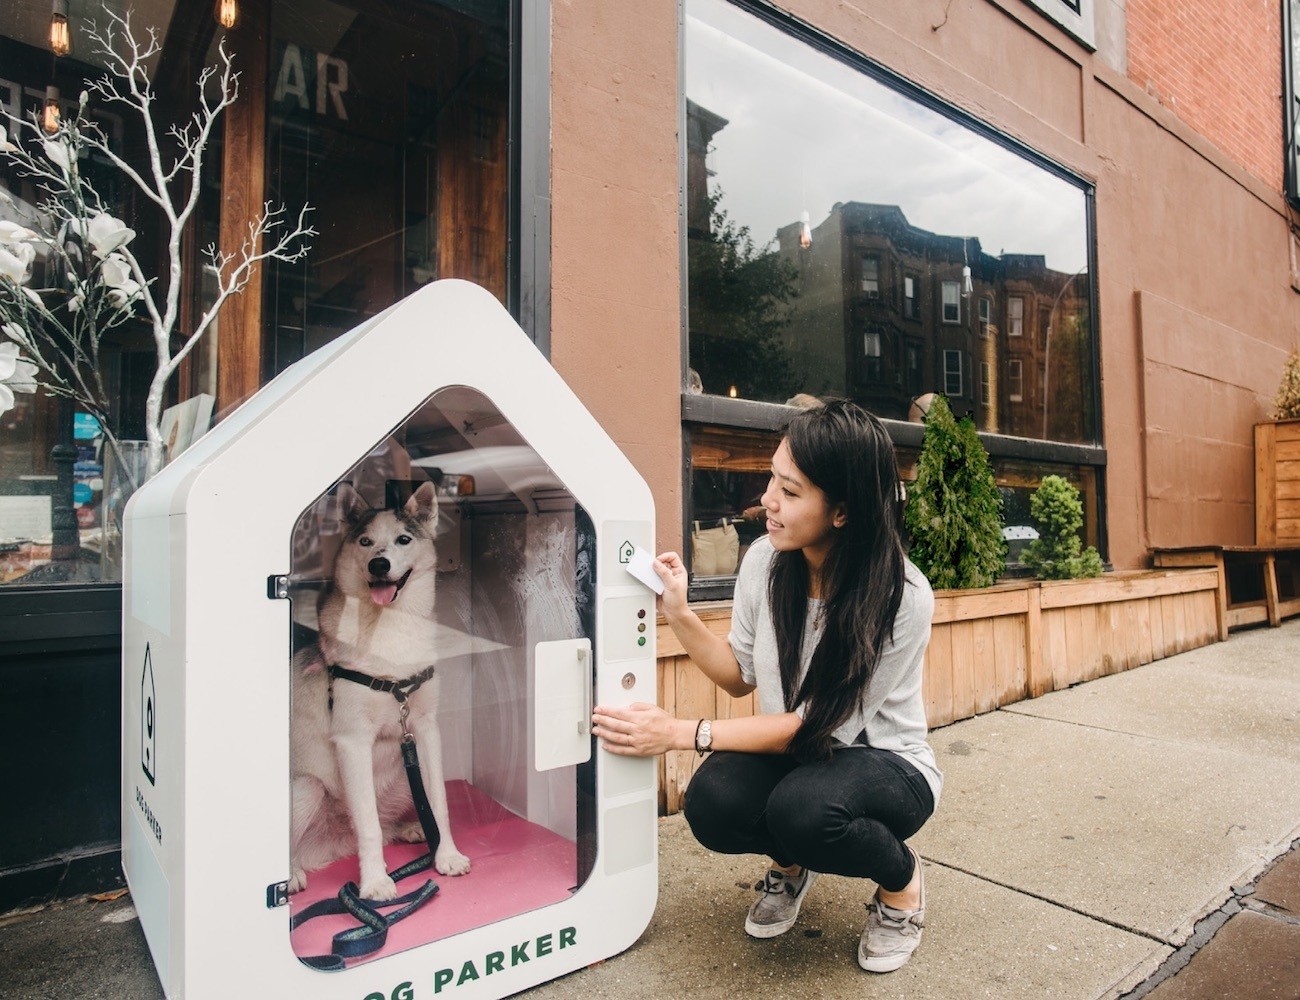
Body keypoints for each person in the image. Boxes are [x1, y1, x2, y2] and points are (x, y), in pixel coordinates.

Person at [592, 398, 940, 974]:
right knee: (712, 800)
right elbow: (738, 675)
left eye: (791, 491)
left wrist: (678, 732)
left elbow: (812, 728)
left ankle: (901, 883)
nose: (767, 500)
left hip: (886, 765)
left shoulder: (901, 596)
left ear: (842, 512)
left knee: (806, 809)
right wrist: (679, 612)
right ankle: (792, 863)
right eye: (772, 479)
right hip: (800, 759)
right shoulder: (766, 560)